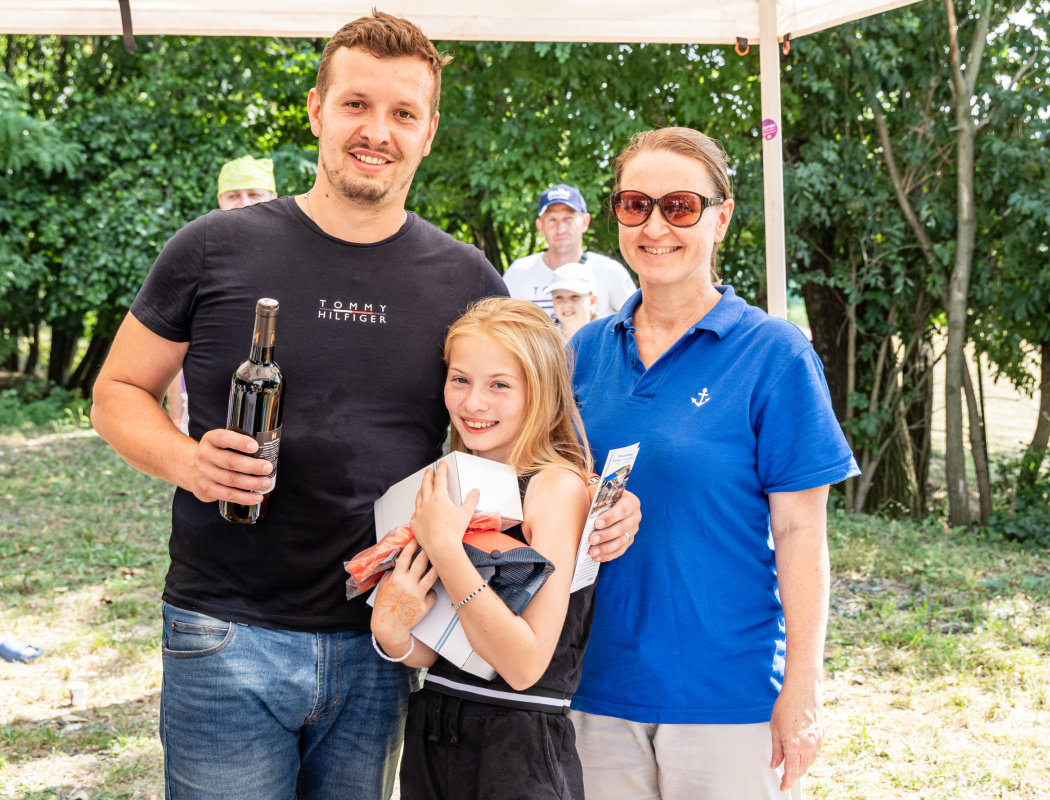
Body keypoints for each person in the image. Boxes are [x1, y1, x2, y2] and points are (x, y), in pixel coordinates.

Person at [90, 12, 637, 800]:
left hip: (389, 636)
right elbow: (116, 393)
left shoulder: (465, 278)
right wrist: (188, 461)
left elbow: (537, 426)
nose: (377, 131)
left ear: (429, 131)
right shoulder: (213, 246)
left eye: (403, 112)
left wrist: (608, 508)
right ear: (317, 109)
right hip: (226, 631)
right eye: (356, 104)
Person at [567, 127, 861, 800]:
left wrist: (804, 688)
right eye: (635, 205)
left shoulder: (774, 355)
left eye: (680, 206)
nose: (655, 226)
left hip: (726, 694)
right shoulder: (583, 352)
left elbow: (801, 533)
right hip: (593, 685)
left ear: (721, 217)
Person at [372, 297, 593, 799]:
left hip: (519, 744)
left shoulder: (555, 487)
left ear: (540, 391)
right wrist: (393, 632)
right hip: (435, 728)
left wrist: (447, 551)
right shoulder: (451, 478)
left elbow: (523, 665)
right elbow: (442, 650)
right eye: (460, 380)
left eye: (499, 385)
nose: (473, 403)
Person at [167, 155, 279, 432]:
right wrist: (177, 420)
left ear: (274, 198)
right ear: (220, 200)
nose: (244, 203)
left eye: (254, 194)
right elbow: (174, 351)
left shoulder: (288, 258)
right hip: (203, 420)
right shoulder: (199, 256)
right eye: (233, 195)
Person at [502, 184, 636, 319]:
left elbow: (637, 320)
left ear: (585, 222)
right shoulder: (518, 273)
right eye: (552, 219)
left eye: (569, 218)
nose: (561, 229)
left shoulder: (608, 271)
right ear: (540, 226)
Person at [546, 262, 597, 343]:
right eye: (559, 297)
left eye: (574, 296)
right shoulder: (545, 342)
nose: (566, 304)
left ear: (592, 301)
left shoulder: (606, 339)